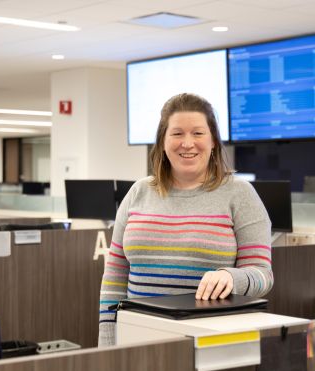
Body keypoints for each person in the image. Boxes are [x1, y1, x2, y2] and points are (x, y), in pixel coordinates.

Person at [98, 93, 273, 346]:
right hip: (136, 337)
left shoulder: (240, 194)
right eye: (177, 133)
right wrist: (107, 339)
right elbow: (115, 276)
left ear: (213, 140)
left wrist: (231, 277)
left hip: (210, 341)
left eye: (198, 133)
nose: (187, 143)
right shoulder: (139, 191)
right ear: (163, 141)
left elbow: (263, 276)